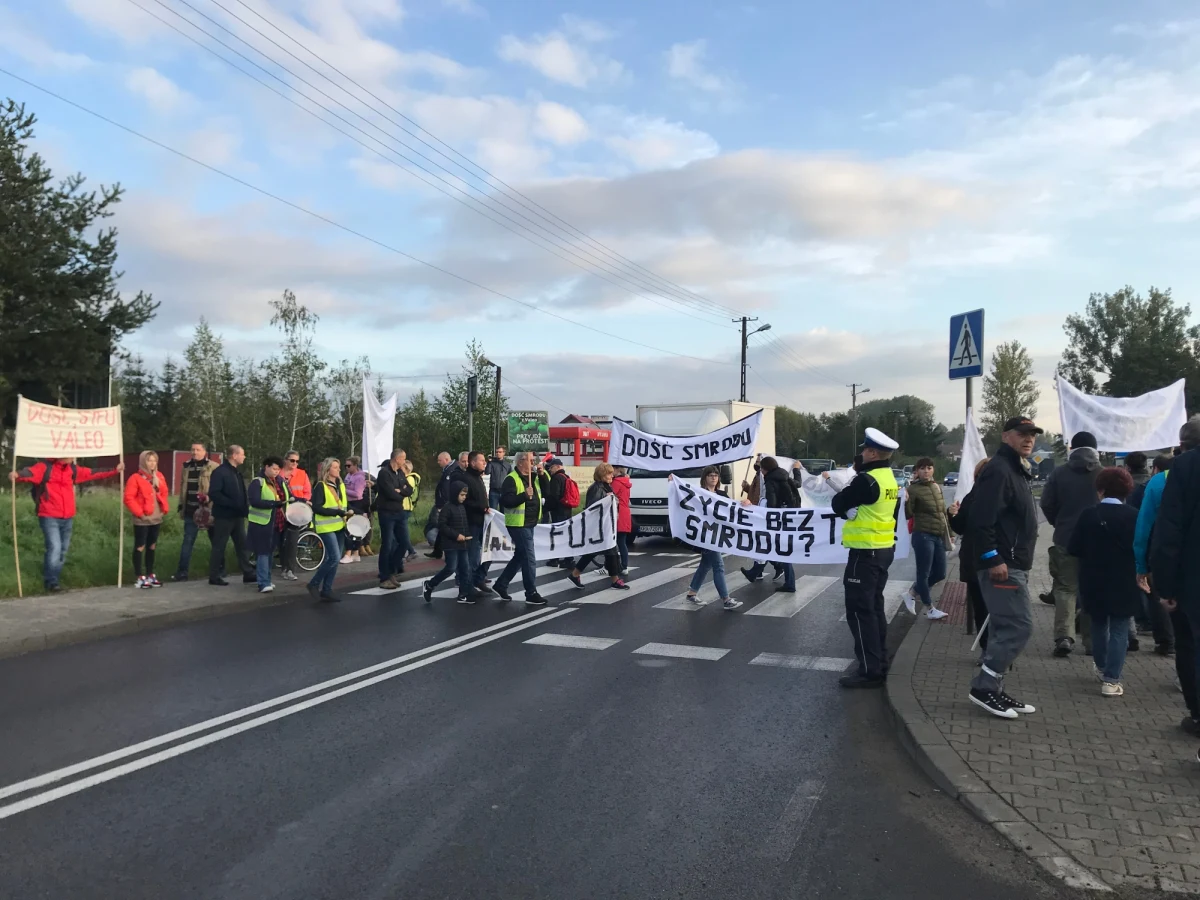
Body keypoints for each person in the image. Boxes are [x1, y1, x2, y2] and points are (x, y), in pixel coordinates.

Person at [967, 416, 1042, 718]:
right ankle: (984, 686)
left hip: (1013, 563)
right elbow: (981, 519)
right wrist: (992, 557)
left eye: (1032, 435)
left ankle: (994, 688)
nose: (1028, 439)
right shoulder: (999, 470)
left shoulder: (1016, 470)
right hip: (1003, 565)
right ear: (1006, 436)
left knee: (1002, 627)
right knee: (1019, 626)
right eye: (1022, 434)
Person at [830, 429, 901, 688]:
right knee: (874, 609)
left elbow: (838, 503)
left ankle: (869, 671)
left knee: (860, 612)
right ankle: (880, 660)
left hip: (865, 553)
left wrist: (845, 505)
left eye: (864, 450)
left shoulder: (867, 480)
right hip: (883, 551)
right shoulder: (889, 479)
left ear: (872, 452)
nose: (861, 454)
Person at [1148, 420, 1200, 749]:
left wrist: (1165, 586)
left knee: (1191, 645)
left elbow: (1170, 528)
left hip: (1192, 579)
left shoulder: (1185, 467)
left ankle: (1197, 714)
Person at [1069, 467, 1140, 697]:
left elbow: (1073, 548)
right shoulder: (1134, 515)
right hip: (1124, 579)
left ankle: (1101, 666)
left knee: (1098, 624)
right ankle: (1112, 680)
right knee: (1120, 628)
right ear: (1126, 490)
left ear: (1100, 490)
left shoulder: (1089, 515)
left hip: (1093, 578)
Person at [10, 456, 123, 593]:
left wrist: (114, 470)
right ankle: (51, 582)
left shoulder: (72, 469)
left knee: (63, 550)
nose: (72, 456)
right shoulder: (45, 467)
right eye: (69, 454)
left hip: (67, 516)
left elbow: (92, 473)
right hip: (49, 515)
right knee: (55, 547)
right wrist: (17, 475)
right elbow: (29, 473)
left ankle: (54, 579)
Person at [1040, 431, 1101, 657]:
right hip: (1096, 540)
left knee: (1066, 588)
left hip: (1065, 538)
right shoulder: (1103, 474)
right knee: (1091, 589)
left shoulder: (1059, 473)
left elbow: (1046, 503)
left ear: (1072, 449)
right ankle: (1092, 642)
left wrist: (1060, 522)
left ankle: (1064, 637)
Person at [677, 467, 742, 610]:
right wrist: (673, 483)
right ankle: (726, 600)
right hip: (705, 535)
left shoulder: (721, 494)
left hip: (717, 534)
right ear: (705, 477)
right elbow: (682, 496)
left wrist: (744, 503)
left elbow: (733, 509)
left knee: (706, 564)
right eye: (710, 475)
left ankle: (692, 593)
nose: (714, 478)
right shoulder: (699, 493)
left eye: (716, 475)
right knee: (718, 566)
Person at [493, 451, 551, 605]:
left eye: (534, 460)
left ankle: (501, 584)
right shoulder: (511, 479)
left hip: (530, 522)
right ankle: (531, 592)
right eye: (530, 460)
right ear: (520, 462)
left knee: (520, 556)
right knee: (529, 558)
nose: (533, 463)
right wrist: (524, 496)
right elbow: (506, 500)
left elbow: (548, 491)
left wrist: (543, 474)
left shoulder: (534, 477)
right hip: (518, 524)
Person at [904, 456, 955, 620]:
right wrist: (905, 501)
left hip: (938, 535)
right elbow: (908, 514)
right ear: (917, 471)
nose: (926, 471)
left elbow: (941, 513)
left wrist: (951, 533)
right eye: (922, 468)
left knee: (940, 573)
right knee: (923, 573)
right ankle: (930, 608)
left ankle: (912, 593)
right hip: (923, 535)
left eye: (929, 468)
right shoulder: (912, 490)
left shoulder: (936, 487)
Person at [950, 457, 992, 652]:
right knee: (982, 607)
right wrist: (952, 514)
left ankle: (991, 649)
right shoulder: (972, 497)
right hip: (977, 560)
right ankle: (988, 649)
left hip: (991, 560)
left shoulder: (997, 497)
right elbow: (960, 527)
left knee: (988, 608)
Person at [567, 463, 630, 592]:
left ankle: (575, 574)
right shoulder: (597, 488)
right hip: (600, 526)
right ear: (602, 474)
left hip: (606, 525)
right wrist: (606, 501)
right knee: (610, 551)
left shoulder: (606, 486)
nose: (612, 475)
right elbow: (593, 508)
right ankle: (614, 580)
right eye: (609, 473)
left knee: (595, 552)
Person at [740, 457, 798, 594]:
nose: (760, 470)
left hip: (776, 520)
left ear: (765, 469)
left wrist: (765, 515)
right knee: (776, 548)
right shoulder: (783, 475)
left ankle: (785, 580)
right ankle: (759, 572)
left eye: (761, 467)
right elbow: (797, 484)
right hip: (787, 517)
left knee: (772, 547)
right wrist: (796, 470)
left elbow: (772, 503)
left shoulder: (770, 480)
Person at [208, 445, 255, 586]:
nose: (244, 457)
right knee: (219, 545)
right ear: (234, 455)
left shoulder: (236, 472)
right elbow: (214, 493)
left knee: (243, 545)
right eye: (242, 454)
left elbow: (241, 492)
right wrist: (232, 503)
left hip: (238, 515)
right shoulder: (221, 472)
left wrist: (244, 509)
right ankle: (214, 575)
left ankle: (247, 572)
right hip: (224, 516)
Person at [422, 483, 476, 604]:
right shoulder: (447, 508)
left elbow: (464, 525)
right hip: (450, 544)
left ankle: (463, 594)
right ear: (454, 494)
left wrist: (467, 537)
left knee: (465, 569)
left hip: (463, 543)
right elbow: (442, 525)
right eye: (462, 494)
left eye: (465, 495)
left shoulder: (462, 507)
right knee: (451, 568)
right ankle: (430, 584)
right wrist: (456, 535)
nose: (464, 497)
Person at [123, 451, 169, 588]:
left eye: (154, 460)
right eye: (149, 460)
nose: (152, 463)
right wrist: (140, 514)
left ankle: (150, 573)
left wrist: (162, 510)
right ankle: (139, 576)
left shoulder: (159, 476)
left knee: (152, 546)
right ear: (144, 462)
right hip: (142, 519)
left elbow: (164, 493)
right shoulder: (135, 478)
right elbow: (129, 498)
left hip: (156, 518)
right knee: (140, 546)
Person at [173, 441, 217, 582]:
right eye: (192, 450)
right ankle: (182, 572)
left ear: (204, 451)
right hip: (190, 510)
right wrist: (181, 505)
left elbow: (217, 488)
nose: (195, 452)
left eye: (198, 450)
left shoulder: (213, 467)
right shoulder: (186, 466)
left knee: (216, 542)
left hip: (208, 511)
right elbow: (182, 487)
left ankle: (219, 570)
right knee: (188, 541)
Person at [452, 451, 494, 596]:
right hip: (471, 522)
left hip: (482, 521)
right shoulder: (466, 479)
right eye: (481, 460)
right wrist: (481, 507)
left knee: (488, 552)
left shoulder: (478, 478)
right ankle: (466, 586)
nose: (484, 463)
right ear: (473, 462)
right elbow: (464, 501)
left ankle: (478, 579)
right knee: (473, 555)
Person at [309, 457, 350, 603]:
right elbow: (316, 507)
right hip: (326, 526)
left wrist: (349, 511)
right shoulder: (321, 486)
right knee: (333, 557)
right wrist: (336, 513)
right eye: (335, 467)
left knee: (335, 559)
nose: (339, 469)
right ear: (328, 470)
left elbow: (343, 504)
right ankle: (314, 584)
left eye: (338, 467)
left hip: (339, 525)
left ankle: (327, 589)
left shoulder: (340, 484)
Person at [247, 456, 289, 594]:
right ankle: (263, 582)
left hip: (277, 523)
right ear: (266, 467)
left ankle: (267, 579)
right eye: (274, 468)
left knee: (270, 552)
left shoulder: (280, 481)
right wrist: (273, 504)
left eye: (278, 469)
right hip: (261, 523)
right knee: (263, 552)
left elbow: (288, 496)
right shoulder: (258, 482)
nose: (276, 471)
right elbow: (254, 501)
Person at [375, 449, 412, 589]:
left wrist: (401, 490)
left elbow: (409, 489)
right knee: (387, 544)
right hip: (387, 513)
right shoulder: (384, 473)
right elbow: (390, 493)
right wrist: (400, 492)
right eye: (403, 459)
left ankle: (392, 569)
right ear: (397, 459)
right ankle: (384, 576)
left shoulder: (400, 472)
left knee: (404, 543)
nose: (404, 461)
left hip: (399, 512)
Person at [278, 451, 312, 581]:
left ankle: (291, 569)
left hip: (296, 512)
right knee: (281, 541)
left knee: (292, 541)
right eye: (292, 460)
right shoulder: (278, 473)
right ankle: (283, 567)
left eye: (297, 461)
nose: (295, 464)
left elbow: (307, 493)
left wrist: (301, 501)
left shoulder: (302, 474)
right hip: (280, 512)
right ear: (285, 460)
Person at [542, 457, 576, 570]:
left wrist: (546, 506)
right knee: (566, 535)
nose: (550, 470)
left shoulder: (556, 478)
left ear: (557, 467)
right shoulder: (566, 477)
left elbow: (554, 497)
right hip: (567, 509)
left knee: (557, 535)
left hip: (558, 510)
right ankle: (568, 559)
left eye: (551, 467)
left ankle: (555, 559)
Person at [423, 450, 453, 558]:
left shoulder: (450, 470)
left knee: (443, 526)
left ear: (446, 459)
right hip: (442, 504)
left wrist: (442, 505)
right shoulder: (447, 470)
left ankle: (445, 550)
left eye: (439, 460)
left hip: (445, 505)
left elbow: (446, 490)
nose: (438, 462)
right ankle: (438, 550)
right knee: (441, 527)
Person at [341, 456, 368, 565]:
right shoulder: (348, 475)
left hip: (357, 503)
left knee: (353, 529)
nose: (346, 468)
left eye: (349, 465)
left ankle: (349, 553)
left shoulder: (360, 478)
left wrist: (344, 489)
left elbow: (358, 494)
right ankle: (355, 553)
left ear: (355, 466)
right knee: (350, 528)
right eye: (345, 466)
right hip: (348, 502)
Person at [612, 464, 633, 575]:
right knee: (622, 542)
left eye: (613, 469)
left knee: (613, 542)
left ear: (617, 470)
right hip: (625, 512)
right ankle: (624, 566)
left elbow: (610, 496)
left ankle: (611, 566)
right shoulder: (626, 482)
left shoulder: (616, 483)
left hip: (618, 513)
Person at [402, 460, 421, 561]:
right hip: (404, 507)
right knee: (402, 531)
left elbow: (406, 491)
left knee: (403, 531)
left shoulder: (410, 479)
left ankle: (411, 551)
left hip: (405, 507)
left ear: (406, 469)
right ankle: (409, 550)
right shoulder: (408, 478)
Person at [486, 445, 513, 511]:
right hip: (494, 490)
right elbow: (487, 472)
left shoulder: (507, 465)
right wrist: (489, 462)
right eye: (497, 452)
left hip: (504, 491)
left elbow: (510, 476)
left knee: (503, 512)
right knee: (493, 511)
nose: (498, 453)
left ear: (504, 453)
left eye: (500, 452)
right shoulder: (492, 463)